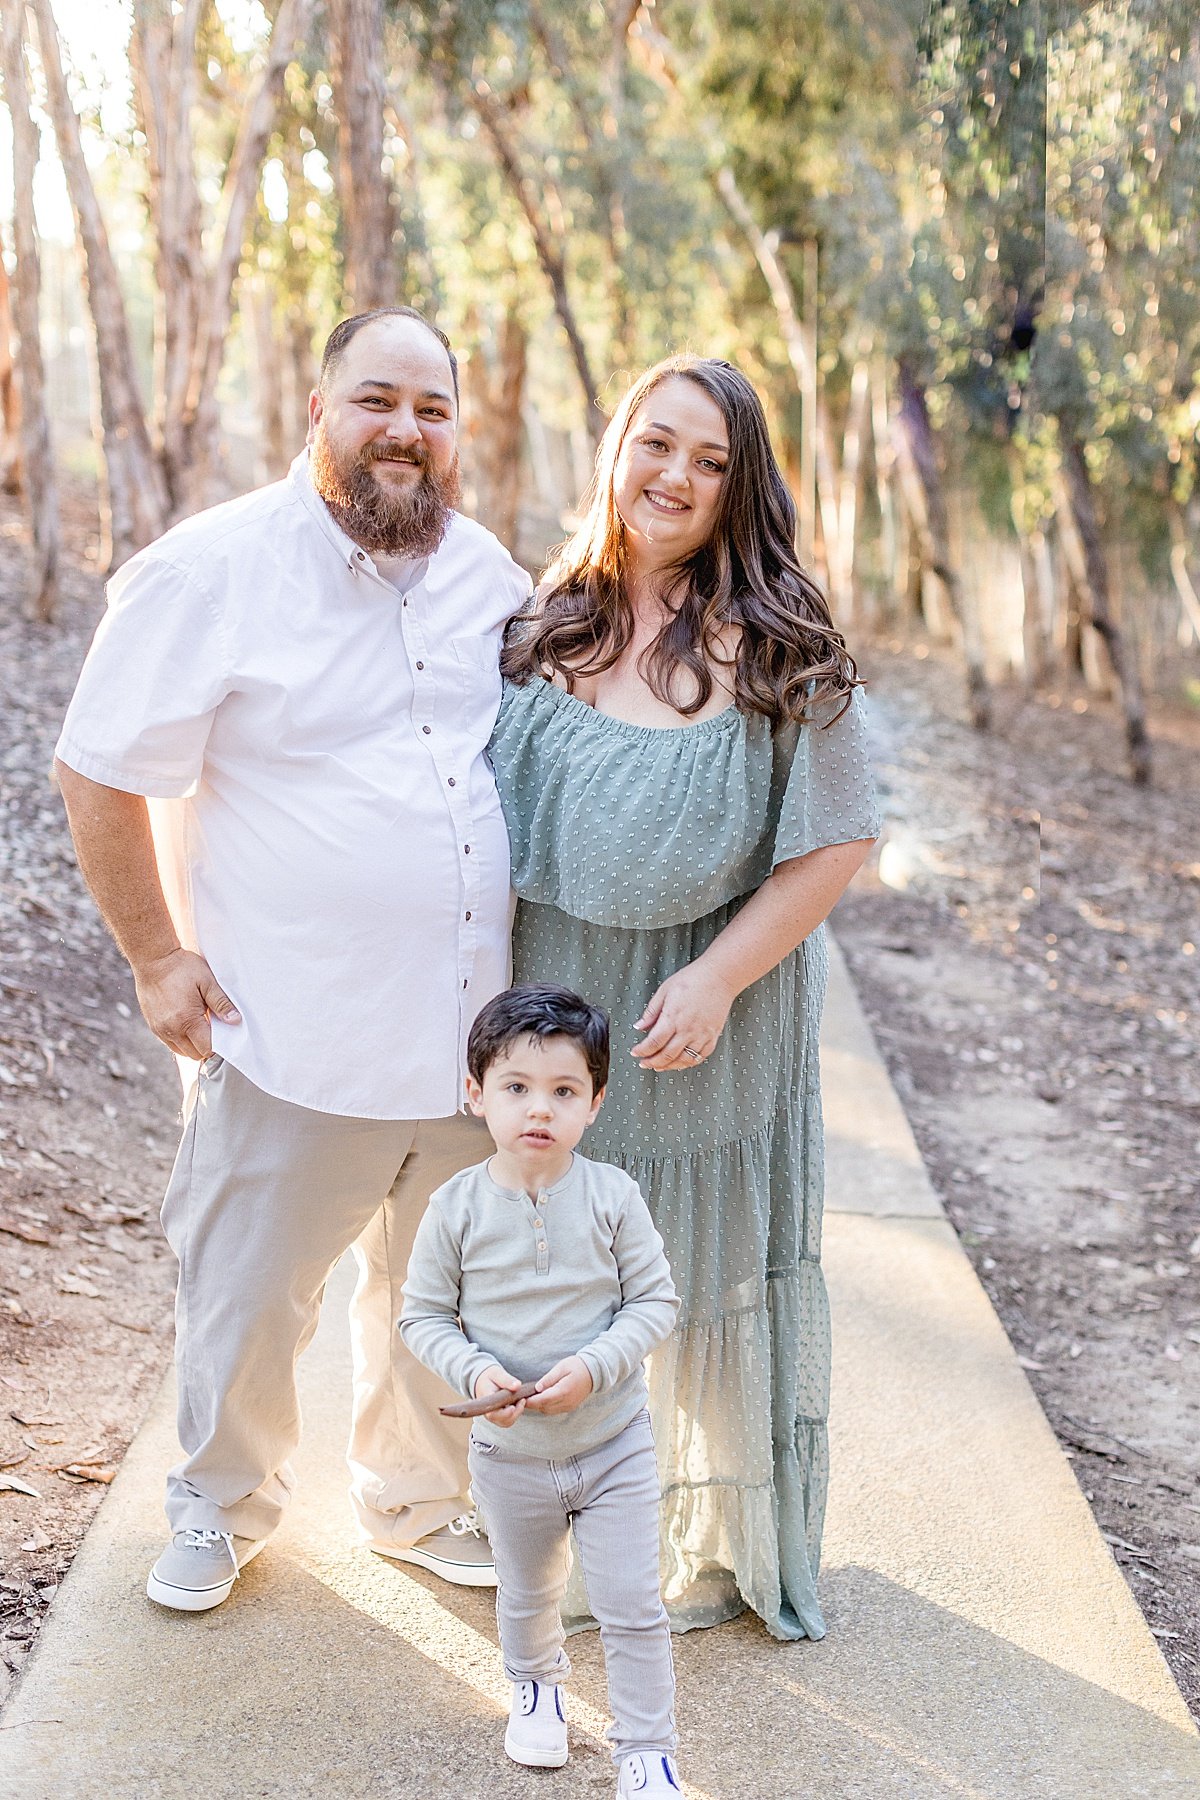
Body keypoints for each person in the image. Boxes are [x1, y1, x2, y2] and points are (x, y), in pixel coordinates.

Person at [53, 306, 532, 1610]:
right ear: (316, 413)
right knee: (251, 1297)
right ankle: (218, 1505)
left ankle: (421, 1502)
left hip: (470, 1041)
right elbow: (97, 768)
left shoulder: (488, 572)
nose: (407, 431)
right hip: (293, 1028)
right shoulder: (210, 571)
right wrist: (156, 959)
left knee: (441, 1288)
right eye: (378, 400)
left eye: (434, 411)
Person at [488, 354, 881, 1643]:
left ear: (740, 486)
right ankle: (560, 1539)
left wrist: (716, 977)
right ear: (618, 448)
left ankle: (715, 1539)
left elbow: (833, 842)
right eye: (658, 445)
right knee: (568, 1285)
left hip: (706, 1014)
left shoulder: (782, 640)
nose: (676, 477)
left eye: (711, 461)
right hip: (559, 1026)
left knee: (702, 1284)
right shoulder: (543, 618)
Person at [400, 985, 683, 1799]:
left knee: (632, 1602)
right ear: (476, 1094)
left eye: (563, 1092)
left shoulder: (611, 1196)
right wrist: (475, 1371)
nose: (539, 1109)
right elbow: (422, 1318)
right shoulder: (453, 1208)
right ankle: (536, 1690)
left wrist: (595, 1366)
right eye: (516, 1087)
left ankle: (647, 1746)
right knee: (527, 1591)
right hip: (509, 1450)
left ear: (594, 1104)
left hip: (612, 1440)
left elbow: (655, 1301)